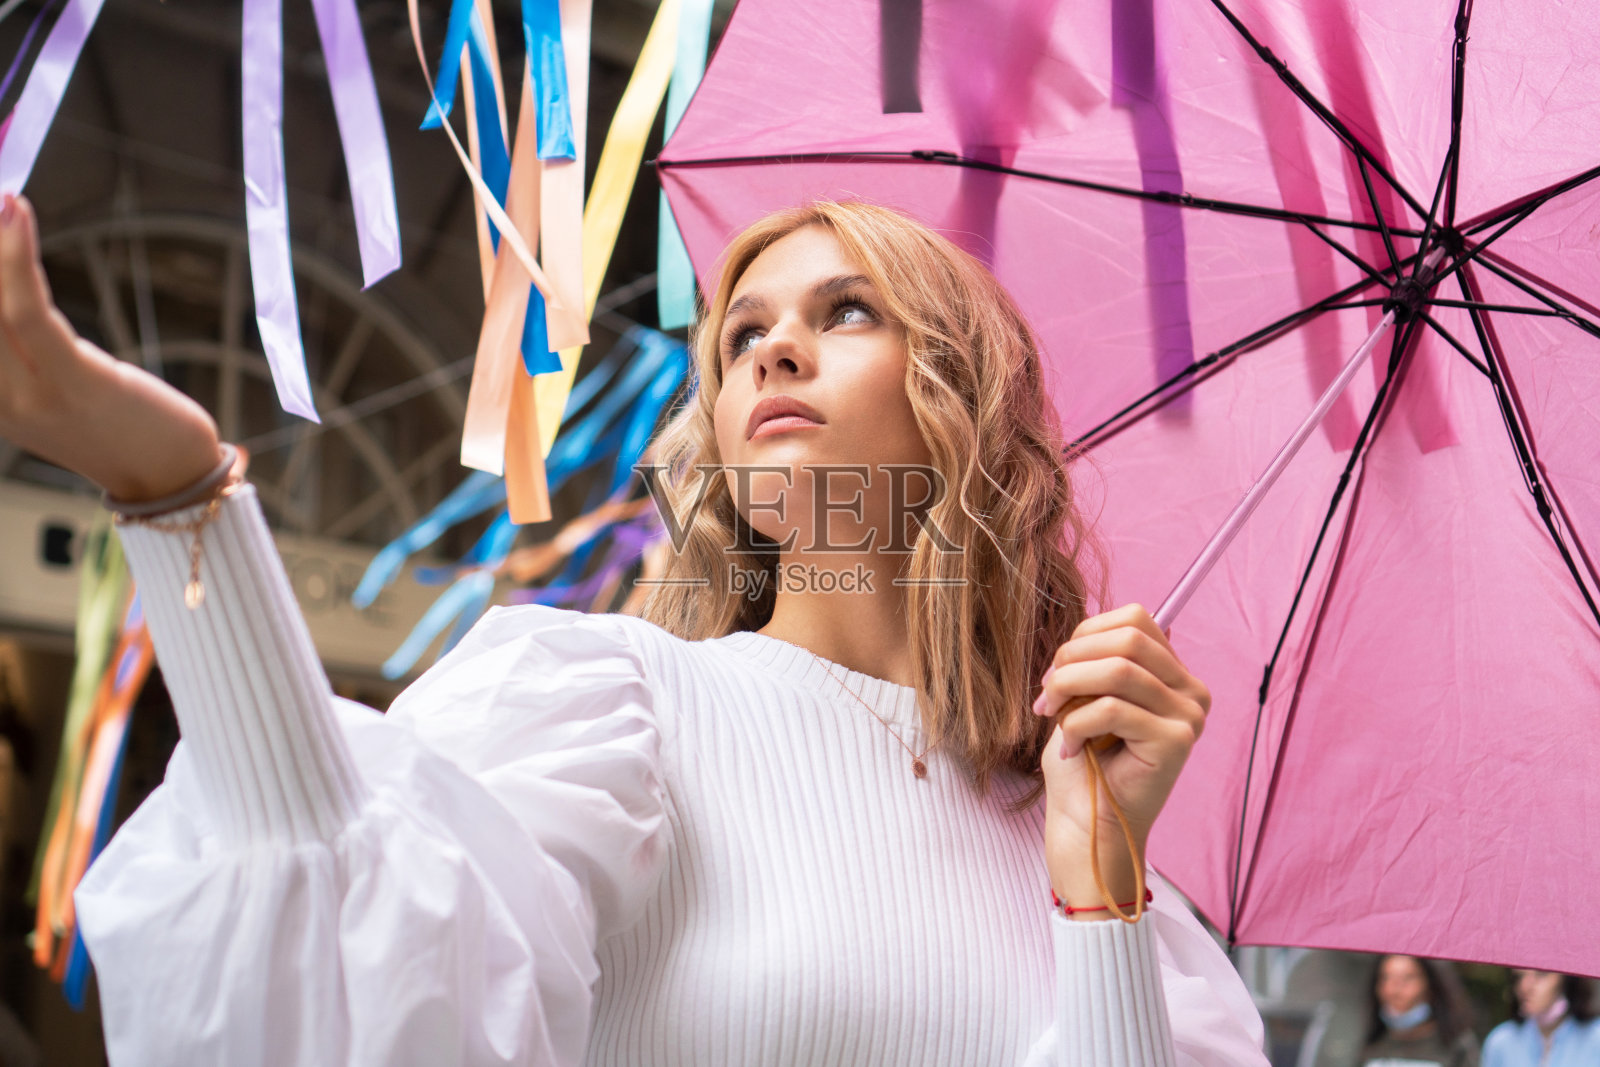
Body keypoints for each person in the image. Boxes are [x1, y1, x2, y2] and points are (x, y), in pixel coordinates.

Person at [0, 192, 1268, 1064]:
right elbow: (349, 963)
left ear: (961, 399)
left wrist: (1099, 887)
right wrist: (177, 496)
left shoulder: (1109, 878)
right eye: (740, 337)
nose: (772, 353)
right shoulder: (617, 712)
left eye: (844, 313)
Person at [1359, 954, 1480, 1066]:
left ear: (1431, 986)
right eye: (1386, 978)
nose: (1394, 990)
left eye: (1407, 978)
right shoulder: (1373, 1043)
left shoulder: (1457, 1044)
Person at [1482, 971, 1600, 1066]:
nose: (1525, 987)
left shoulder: (1596, 1039)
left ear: (1566, 979)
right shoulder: (1501, 1042)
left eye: (1541, 974)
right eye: (1519, 976)